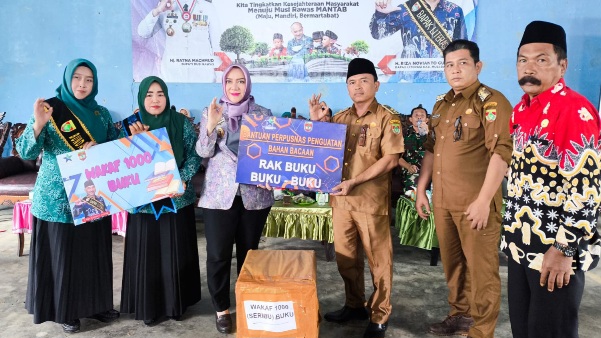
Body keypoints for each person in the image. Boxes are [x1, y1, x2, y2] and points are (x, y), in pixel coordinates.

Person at [501, 21, 601, 338]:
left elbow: (586, 191)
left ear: (562, 64)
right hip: (521, 247)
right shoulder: (520, 110)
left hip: (554, 253)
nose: (529, 67)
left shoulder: (574, 110)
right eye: (523, 59)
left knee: (550, 332)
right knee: (525, 330)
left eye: (541, 59)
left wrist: (562, 250)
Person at [414, 40, 512, 337]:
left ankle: (482, 331)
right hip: (443, 202)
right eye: (449, 65)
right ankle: (460, 316)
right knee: (453, 267)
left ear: (477, 66)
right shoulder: (441, 104)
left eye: (462, 63)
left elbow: (502, 152)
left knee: (482, 274)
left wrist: (484, 201)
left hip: (475, 205)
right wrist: (421, 189)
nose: (455, 70)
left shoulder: (491, 102)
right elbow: (431, 150)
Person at [16, 58, 121, 333]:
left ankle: (96, 305)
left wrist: (97, 149)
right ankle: (67, 311)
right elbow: (26, 152)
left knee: (93, 253)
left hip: (90, 195)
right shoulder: (50, 109)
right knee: (63, 256)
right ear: (67, 79)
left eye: (88, 79)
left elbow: (114, 151)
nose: (82, 84)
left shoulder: (101, 114)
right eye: (77, 78)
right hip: (56, 199)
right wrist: (38, 124)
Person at [308, 58, 404, 338]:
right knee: (346, 259)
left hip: (370, 203)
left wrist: (354, 182)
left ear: (376, 84)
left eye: (364, 81)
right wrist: (317, 123)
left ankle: (379, 315)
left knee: (379, 261)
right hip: (342, 203)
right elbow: (321, 153)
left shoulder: (389, 118)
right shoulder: (339, 119)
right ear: (347, 87)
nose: (358, 86)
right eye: (352, 82)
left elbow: (390, 160)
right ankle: (354, 304)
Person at [196, 64, 274, 334]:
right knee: (217, 255)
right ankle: (222, 309)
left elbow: (272, 154)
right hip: (220, 196)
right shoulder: (212, 112)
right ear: (223, 84)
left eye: (241, 81)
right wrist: (209, 124)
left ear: (248, 84)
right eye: (230, 81)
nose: (235, 86)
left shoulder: (263, 114)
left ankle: (247, 301)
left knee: (249, 254)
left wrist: (270, 174)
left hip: (255, 196)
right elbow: (202, 153)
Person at [120, 76, 202, 326]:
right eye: (149, 95)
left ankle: (177, 304)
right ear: (141, 98)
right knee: (149, 253)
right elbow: (121, 164)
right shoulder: (130, 126)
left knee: (175, 250)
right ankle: (149, 306)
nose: (155, 100)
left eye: (160, 94)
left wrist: (183, 179)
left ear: (167, 97)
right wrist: (139, 141)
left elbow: (194, 156)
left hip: (177, 199)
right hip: (144, 203)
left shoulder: (181, 123)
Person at [370, 0, 467, 83]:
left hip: (444, 80)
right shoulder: (406, 9)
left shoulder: (455, 11)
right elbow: (378, 34)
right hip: (410, 80)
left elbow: (462, 49)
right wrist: (381, 14)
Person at [137, 0, 221, 82]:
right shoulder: (165, 5)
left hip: (203, 77)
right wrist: (157, 10)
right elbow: (143, 33)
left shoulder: (208, 7)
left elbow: (218, 46)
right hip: (172, 77)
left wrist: (220, 77)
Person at [397, 104, 429, 193]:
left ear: (427, 120)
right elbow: (396, 156)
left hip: (431, 169)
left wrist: (427, 134)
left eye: (422, 116)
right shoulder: (403, 134)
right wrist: (408, 166)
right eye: (416, 115)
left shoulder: (433, 134)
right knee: (414, 190)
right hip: (412, 170)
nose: (419, 118)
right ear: (411, 119)